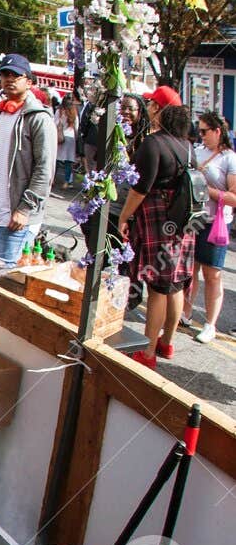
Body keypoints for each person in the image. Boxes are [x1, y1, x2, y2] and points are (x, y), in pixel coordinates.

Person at [118, 102, 197, 367]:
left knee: (158, 287)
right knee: (175, 284)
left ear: (163, 118)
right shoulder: (188, 148)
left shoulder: (153, 143)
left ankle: (148, 353)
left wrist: (124, 216)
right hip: (183, 221)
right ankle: (167, 343)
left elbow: (139, 188)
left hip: (158, 218)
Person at [0, 52, 56, 262]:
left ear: (28, 82)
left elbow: (44, 169)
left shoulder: (38, 118)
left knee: (3, 274)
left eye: (16, 75)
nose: (9, 79)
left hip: (16, 214)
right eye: (5, 74)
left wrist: (25, 209)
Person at [183, 109, 235, 344]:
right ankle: (185, 312)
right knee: (189, 270)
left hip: (216, 224)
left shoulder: (229, 158)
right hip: (195, 219)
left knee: (212, 274)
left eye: (204, 131)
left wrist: (206, 189)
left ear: (217, 131)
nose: (200, 135)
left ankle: (210, 324)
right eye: (199, 131)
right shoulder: (197, 151)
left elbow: (233, 197)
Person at [56, 95, 79, 187]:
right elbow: (76, 127)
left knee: (56, 160)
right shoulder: (74, 113)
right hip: (71, 137)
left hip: (60, 137)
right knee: (68, 162)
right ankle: (66, 181)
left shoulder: (59, 111)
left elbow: (55, 123)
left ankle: (52, 179)